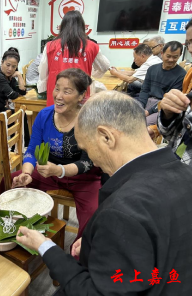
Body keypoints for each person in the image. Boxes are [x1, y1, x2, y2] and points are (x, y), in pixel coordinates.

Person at [17, 91, 192, 296]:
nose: (93, 160)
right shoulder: (184, 173)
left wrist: (45, 245)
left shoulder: (123, 210)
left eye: (87, 148)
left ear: (106, 137)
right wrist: (98, 242)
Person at [8, 68, 101, 242]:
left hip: (84, 178)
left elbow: (88, 163)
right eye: (57, 88)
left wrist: (59, 170)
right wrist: (26, 173)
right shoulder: (44, 115)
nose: (59, 95)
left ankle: (79, 257)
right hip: (48, 173)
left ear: (81, 96)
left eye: (67, 91)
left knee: (93, 215)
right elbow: (33, 149)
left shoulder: (88, 120)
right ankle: (22, 235)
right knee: (12, 183)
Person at [37, 11, 110, 106]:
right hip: (80, 94)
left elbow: (43, 71)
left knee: (56, 119)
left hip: (57, 94)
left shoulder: (50, 46)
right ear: (82, 27)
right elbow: (105, 66)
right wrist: (92, 73)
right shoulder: (91, 46)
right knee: (79, 118)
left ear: (62, 26)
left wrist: (42, 89)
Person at [158, 19, 192, 166]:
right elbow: (173, 133)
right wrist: (167, 114)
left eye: (175, 56)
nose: (190, 49)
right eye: (189, 43)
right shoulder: (189, 76)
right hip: (174, 159)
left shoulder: (180, 74)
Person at [137, 41, 186, 125]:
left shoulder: (181, 75)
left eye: (175, 57)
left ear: (180, 56)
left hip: (163, 107)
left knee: (142, 124)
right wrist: (140, 107)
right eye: (168, 56)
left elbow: (169, 100)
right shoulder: (152, 69)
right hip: (148, 101)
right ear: (162, 53)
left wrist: (149, 112)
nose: (171, 60)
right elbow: (145, 90)